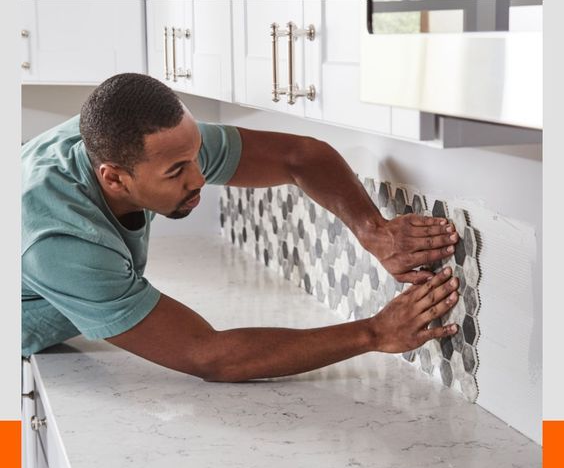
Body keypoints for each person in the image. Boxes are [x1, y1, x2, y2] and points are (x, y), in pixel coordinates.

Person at [22, 73, 460, 381]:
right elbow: (208, 355)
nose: (198, 179)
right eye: (177, 172)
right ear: (113, 177)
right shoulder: (62, 243)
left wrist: (374, 230)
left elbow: (300, 157)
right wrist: (375, 333)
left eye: (196, 156)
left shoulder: (147, 142)